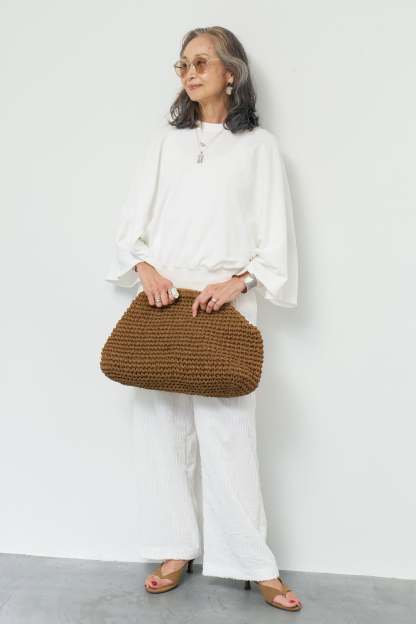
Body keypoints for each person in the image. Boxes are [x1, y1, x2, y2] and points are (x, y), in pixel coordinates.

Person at [105, 26, 302, 612]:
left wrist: (238, 282)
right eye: (182, 65)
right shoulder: (164, 144)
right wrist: (145, 269)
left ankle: (253, 562)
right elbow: (130, 226)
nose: (189, 73)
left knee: (230, 436)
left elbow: (275, 236)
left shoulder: (259, 147)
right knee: (162, 433)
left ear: (230, 73)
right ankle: (175, 548)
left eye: (201, 63)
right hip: (164, 299)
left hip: (225, 300)